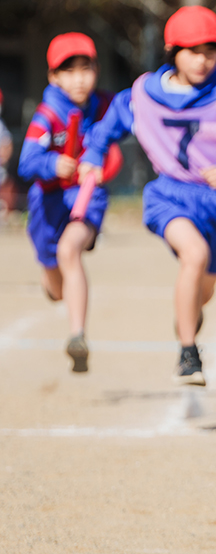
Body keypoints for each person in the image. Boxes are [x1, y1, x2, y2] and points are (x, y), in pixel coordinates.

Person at [81, 8, 216, 386]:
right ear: (172, 52)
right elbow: (106, 128)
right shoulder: (142, 93)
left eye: (210, 51)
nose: (202, 60)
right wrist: (92, 156)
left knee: (206, 287)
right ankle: (188, 354)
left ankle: (187, 317)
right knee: (195, 255)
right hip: (168, 194)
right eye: (192, 51)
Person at [17, 34, 122, 373]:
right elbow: (26, 161)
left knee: (69, 250)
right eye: (69, 70)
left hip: (86, 197)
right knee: (55, 279)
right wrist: (52, 164)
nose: (79, 78)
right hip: (47, 202)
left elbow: (138, 114)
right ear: (54, 77)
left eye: (86, 68)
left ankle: (77, 335)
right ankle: (54, 285)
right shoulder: (47, 115)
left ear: (97, 70)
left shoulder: (107, 107)